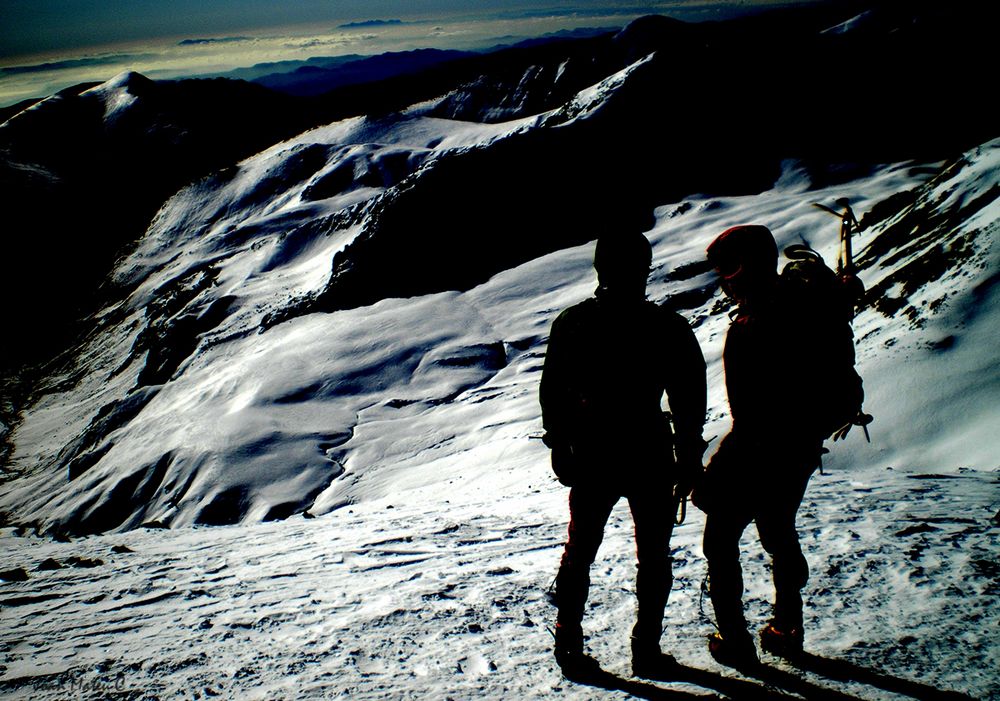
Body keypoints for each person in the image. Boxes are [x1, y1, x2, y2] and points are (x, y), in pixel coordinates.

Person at [539, 231, 707, 678]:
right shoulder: (666, 326)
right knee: (654, 555)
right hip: (649, 449)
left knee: (580, 551)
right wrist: (689, 453)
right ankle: (645, 649)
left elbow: (553, 392)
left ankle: (569, 643)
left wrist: (560, 443)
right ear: (644, 269)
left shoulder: (573, 323)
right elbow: (689, 397)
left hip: (592, 450)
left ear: (600, 269)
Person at [694, 224, 863, 668]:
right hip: (800, 449)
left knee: (720, 541)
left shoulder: (754, 325)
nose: (724, 279)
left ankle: (735, 640)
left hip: (759, 452)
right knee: (779, 532)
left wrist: (715, 471)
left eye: (727, 268)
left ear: (745, 267)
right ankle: (787, 627)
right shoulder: (805, 307)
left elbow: (750, 416)